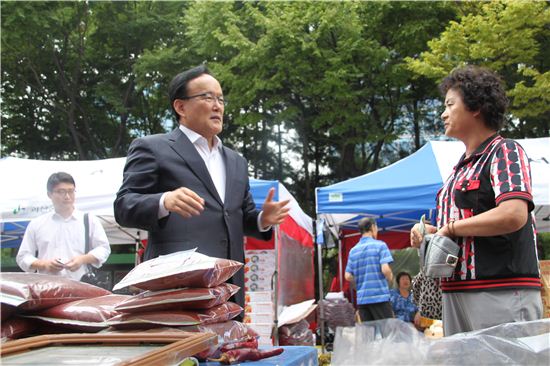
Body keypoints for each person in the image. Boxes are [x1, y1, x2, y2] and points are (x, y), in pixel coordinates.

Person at [114, 65, 290, 308]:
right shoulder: (153, 147)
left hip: (229, 288)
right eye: (207, 97)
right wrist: (164, 201)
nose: (217, 105)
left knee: (231, 347)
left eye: (220, 99)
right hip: (176, 288)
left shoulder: (236, 161)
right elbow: (124, 206)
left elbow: (238, 217)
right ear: (180, 107)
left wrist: (263, 219)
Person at [410, 65, 542, 336]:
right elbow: (463, 226)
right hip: (456, 293)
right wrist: (432, 233)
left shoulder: (505, 151)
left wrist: (452, 228)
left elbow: (513, 214)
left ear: (476, 107)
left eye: (449, 104)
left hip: (499, 290)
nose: (443, 113)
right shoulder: (460, 168)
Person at [16, 172, 111, 281]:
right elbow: (23, 256)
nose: (67, 196)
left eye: (71, 191)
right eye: (61, 192)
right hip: (46, 287)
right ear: (49, 194)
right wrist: (44, 264)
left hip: (81, 285)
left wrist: (82, 259)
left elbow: (104, 248)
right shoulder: (37, 223)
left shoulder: (89, 220)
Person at [345, 218, 394, 322]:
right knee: (388, 333)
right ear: (372, 227)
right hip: (380, 297)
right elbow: (385, 270)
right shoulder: (380, 246)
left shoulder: (353, 251)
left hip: (363, 299)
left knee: (368, 335)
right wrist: (390, 278)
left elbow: (347, 276)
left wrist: (361, 282)